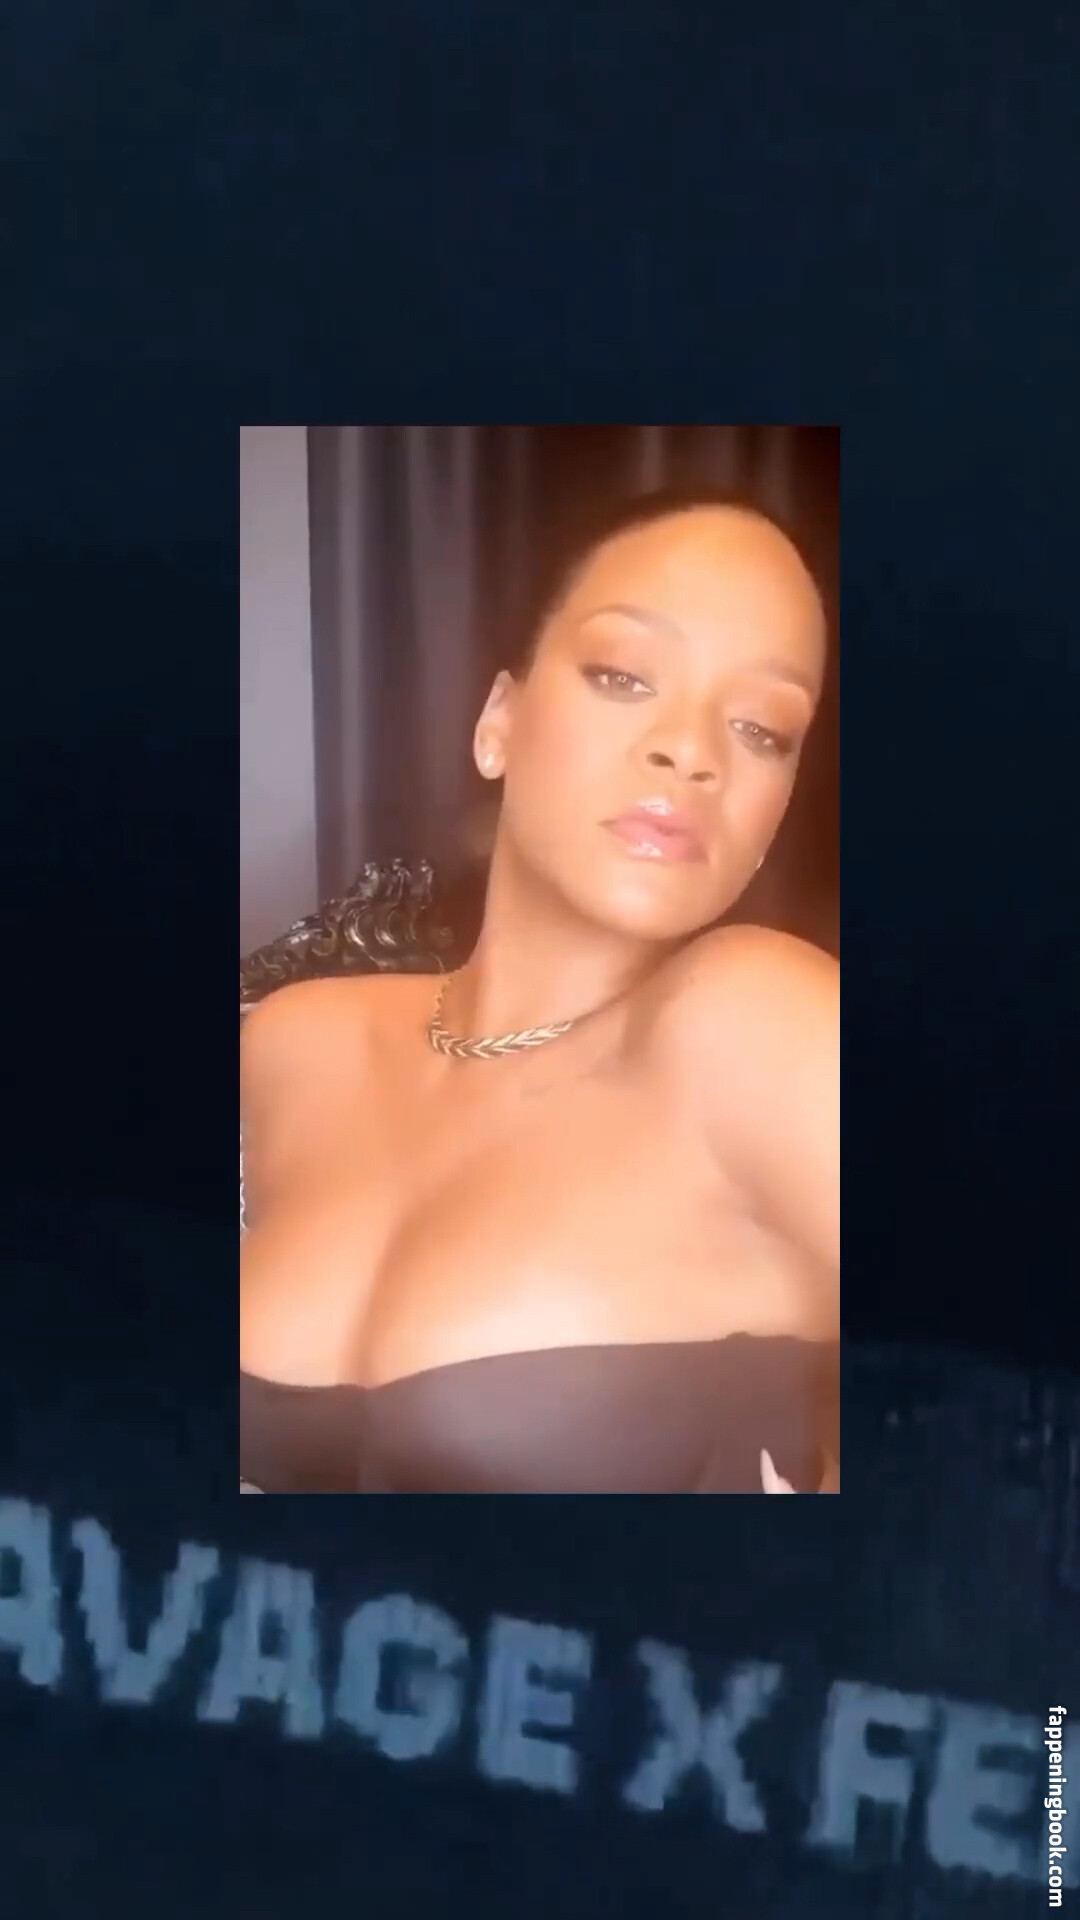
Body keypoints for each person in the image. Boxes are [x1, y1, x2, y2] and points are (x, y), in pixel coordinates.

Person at [240, 486, 839, 1492]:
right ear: (499, 724)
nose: (692, 752)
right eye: (623, 676)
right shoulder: (298, 1044)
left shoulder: (757, 1025)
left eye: (763, 729)